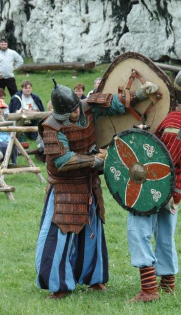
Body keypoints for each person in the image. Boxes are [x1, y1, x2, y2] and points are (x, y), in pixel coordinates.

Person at [35, 78, 158, 299]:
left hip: (89, 182)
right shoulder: (51, 127)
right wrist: (99, 161)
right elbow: (63, 160)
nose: (75, 114)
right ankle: (59, 284)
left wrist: (140, 94)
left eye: (76, 108)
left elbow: (116, 104)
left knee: (93, 232)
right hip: (65, 187)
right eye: (70, 112)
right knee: (60, 233)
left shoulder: (87, 107)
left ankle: (94, 279)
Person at [126, 55, 181, 303]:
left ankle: (149, 290)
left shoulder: (177, 120)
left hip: (157, 185)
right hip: (178, 187)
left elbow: (162, 160)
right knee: (165, 234)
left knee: (137, 230)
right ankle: (168, 284)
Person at [0, 99, 17, 164]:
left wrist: (9, 140)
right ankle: (5, 163)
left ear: (5, 108)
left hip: (8, 138)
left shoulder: (9, 117)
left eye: (2, 108)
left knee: (14, 145)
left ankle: (14, 163)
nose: (0, 110)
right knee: (4, 146)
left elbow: (12, 131)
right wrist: (4, 141)